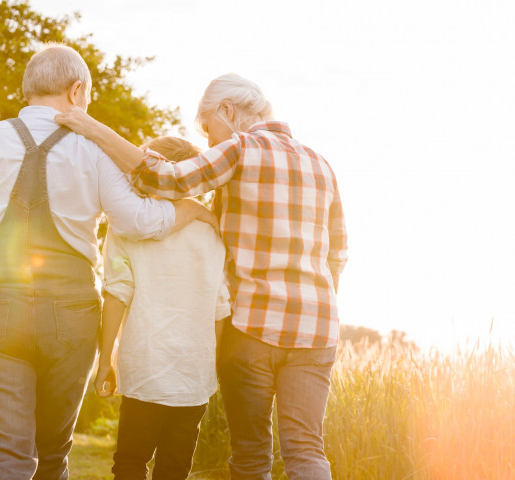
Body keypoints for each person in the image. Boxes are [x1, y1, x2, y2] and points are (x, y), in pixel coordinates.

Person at [0, 44, 214, 480]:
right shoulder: (94, 150)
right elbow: (138, 220)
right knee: (52, 453)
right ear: (77, 90)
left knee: (7, 454)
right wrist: (190, 210)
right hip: (70, 314)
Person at [55, 72, 348, 480]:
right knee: (307, 450)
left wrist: (90, 126)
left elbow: (164, 178)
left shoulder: (239, 149)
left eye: (209, 129)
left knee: (251, 454)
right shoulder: (321, 164)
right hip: (317, 331)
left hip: (253, 327)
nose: (211, 143)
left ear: (227, 111)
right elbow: (338, 254)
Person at [95, 135, 231, 480]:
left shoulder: (127, 227)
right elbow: (220, 309)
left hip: (146, 366)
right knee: (175, 469)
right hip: (194, 374)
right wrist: (210, 366)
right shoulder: (212, 233)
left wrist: (105, 359)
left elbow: (116, 294)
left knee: (129, 463)